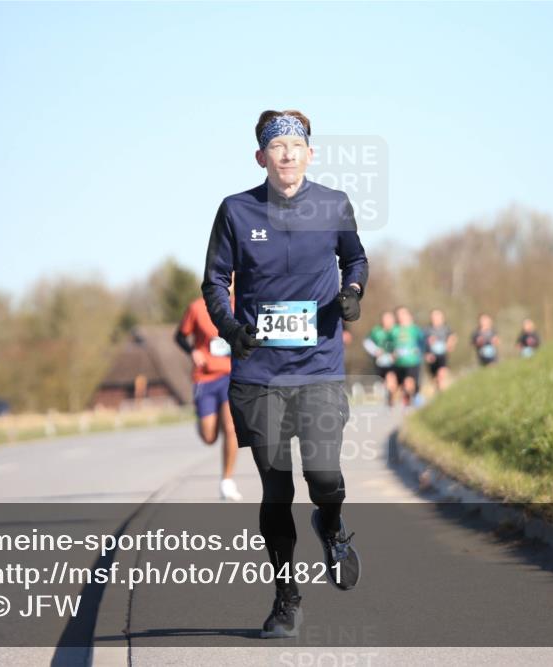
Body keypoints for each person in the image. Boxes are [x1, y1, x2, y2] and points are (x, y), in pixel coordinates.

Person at [201, 109, 368, 639]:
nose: (288, 154)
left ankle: (333, 524)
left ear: (310, 154)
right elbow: (214, 281)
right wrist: (230, 327)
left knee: (323, 479)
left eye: (297, 145)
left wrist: (353, 294)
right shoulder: (234, 210)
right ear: (261, 157)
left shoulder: (334, 204)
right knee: (276, 490)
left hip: (318, 367)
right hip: (259, 373)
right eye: (277, 147)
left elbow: (356, 260)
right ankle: (286, 600)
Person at [175, 292, 242, 501]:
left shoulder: (241, 304)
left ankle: (227, 481)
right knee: (209, 437)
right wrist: (192, 351)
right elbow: (179, 336)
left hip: (231, 375)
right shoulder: (197, 307)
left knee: (231, 428)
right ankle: (207, 419)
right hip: (205, 378)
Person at [391, 306, 425, 405]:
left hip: (412, 362)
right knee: (402, 387)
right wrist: (391, 353)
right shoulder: (394, 330)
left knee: (408, 383)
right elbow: (387, 344)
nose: (401, 317)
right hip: (399, 363)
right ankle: (408, 403)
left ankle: (413, 399)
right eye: (399, 315)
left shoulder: (415, 329)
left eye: (403, 314)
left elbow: (422, 343)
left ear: (409, 315)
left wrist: (419, 351)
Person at [363, 311, 397, 406]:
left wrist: (396, 353)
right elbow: (367, 342)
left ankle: (391, 397)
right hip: (380, 362)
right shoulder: (376, 331)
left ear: (393, 320)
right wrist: (375, 351)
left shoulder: (397, 331)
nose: (387, 321)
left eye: (389, 319)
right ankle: (389, 395)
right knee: (387, 381)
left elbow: (403, 343)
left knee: (391, 378)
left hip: (394, 362)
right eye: (385, 319)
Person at [424, 309, 457, 392]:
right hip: (432, 357)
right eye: (434, 317)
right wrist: (426, 353)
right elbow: (422, 343)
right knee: (435, 377)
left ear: (442, 318)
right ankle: (438, 390)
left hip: (442, 355)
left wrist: (450, 344)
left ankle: (442, 391)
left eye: (438, 316)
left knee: (442, 373)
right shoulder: (427, 330)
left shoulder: (446, 328)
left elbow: (453, 337)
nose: (436, 319)